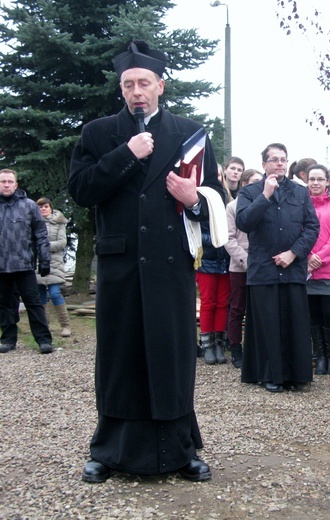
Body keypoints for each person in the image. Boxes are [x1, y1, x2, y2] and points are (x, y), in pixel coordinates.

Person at [68, 40, 221, 483]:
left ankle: (182, 448)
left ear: (161, 86)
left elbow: (212, 196)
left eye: (145, 83)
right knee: (120, 356)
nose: (137, 91)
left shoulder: (191, 133)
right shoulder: (98, 134)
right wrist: (125, 154)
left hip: (170, 265)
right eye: (129, 84)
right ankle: (108, 450)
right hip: (119, 267)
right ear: (122, 89)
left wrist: (194, 201)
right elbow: (80, 190)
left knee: (172, 354)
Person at [236, 143, 320, 393]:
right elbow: (244, 222)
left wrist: (294, 253)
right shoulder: (251, 192)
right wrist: (265, 196)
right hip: (264, 268)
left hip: (292, 267)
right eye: (274, 160)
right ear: (264, 165)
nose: (280, 163)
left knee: (294, 322)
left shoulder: (300, 192)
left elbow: (312, 227)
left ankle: (296, 375)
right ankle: (270, 374)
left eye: (283, 159)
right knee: (268, 325)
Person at [0, 169, 53, 355]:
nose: (6, 184)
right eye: (3, 181)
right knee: (5, 305)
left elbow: (40, 234)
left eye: (9, 181)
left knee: (34, 303)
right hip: (1, 266)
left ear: (16, 184)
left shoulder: (30, 206)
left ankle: (44, 340)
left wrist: (45, 259)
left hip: (24, 264)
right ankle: (7, 339)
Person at [306, 164, 330, 376]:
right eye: (312, 179)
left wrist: (319, 257)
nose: (315, 183)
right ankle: (319, 356)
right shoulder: (302, 204)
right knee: (314, 315)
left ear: (327, 182)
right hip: (308, 271)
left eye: (320, 179)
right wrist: (308, 256)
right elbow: (299, 232)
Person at [225, 169, 262, 369]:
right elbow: (228, 238)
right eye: (254, 181)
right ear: (245, 183)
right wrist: (246, 261)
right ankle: (236, 348)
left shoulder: (266, 203)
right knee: (238, 308)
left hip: (263, 264)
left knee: (258, 309)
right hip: (240, 265)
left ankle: (255, 347)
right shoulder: (232, 206)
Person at [196, 171, 231, 365]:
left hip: (225, 259)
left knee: (223, 302)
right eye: (213, 174)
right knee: (208, 302)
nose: (217, 178)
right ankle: (207, 343)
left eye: (220, 175)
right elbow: (194, 232)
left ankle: (219, 342)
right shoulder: (198, 199)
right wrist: (218, 239)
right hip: (206, 259)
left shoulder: (228, 199)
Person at [35, 197, 71, 338]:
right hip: (37, 263)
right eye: (40, 207)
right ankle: (45, 326)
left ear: (50, 208)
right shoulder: (33, 222)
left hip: (54, 263)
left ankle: (66, 325)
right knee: (40, 295)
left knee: (55, 294)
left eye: (45, 206)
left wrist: (44, 246)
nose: (43, 209)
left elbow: (62, 242)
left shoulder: (59, 223)